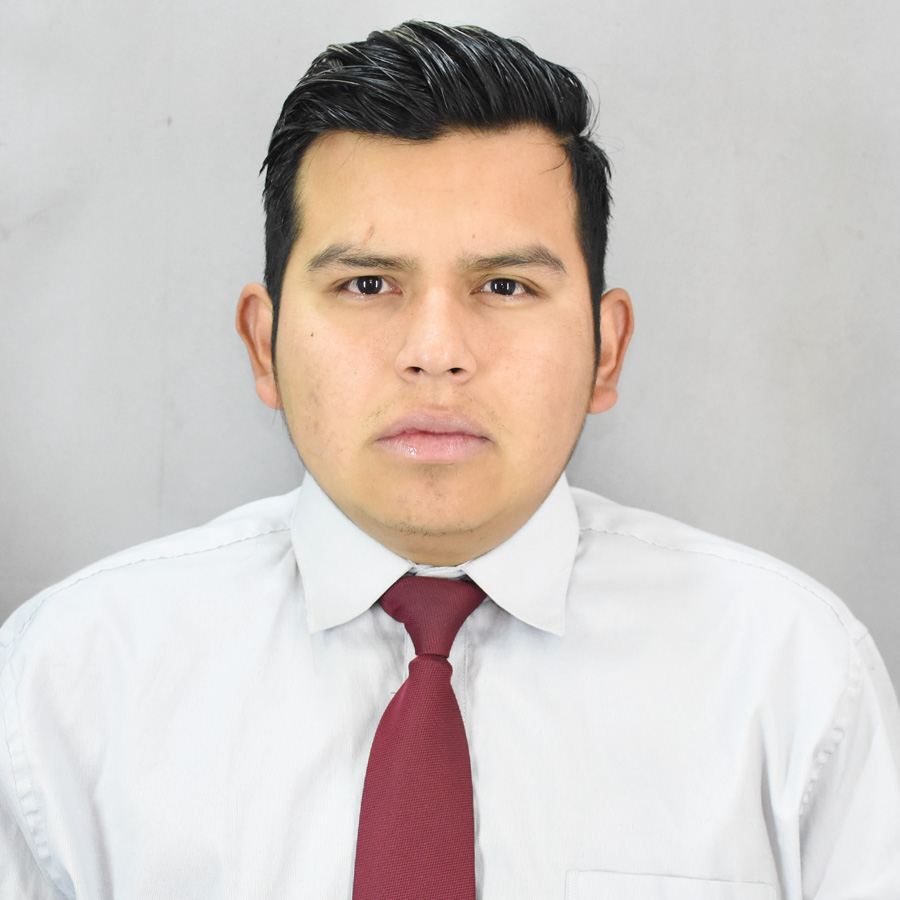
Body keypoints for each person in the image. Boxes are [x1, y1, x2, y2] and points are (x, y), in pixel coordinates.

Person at [1, 20, 898, 899]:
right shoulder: (66, 685)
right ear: (263, 343)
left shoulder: (792, 678)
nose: (436, 353)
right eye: (367, 284)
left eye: (505, 285)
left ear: (607, 349)